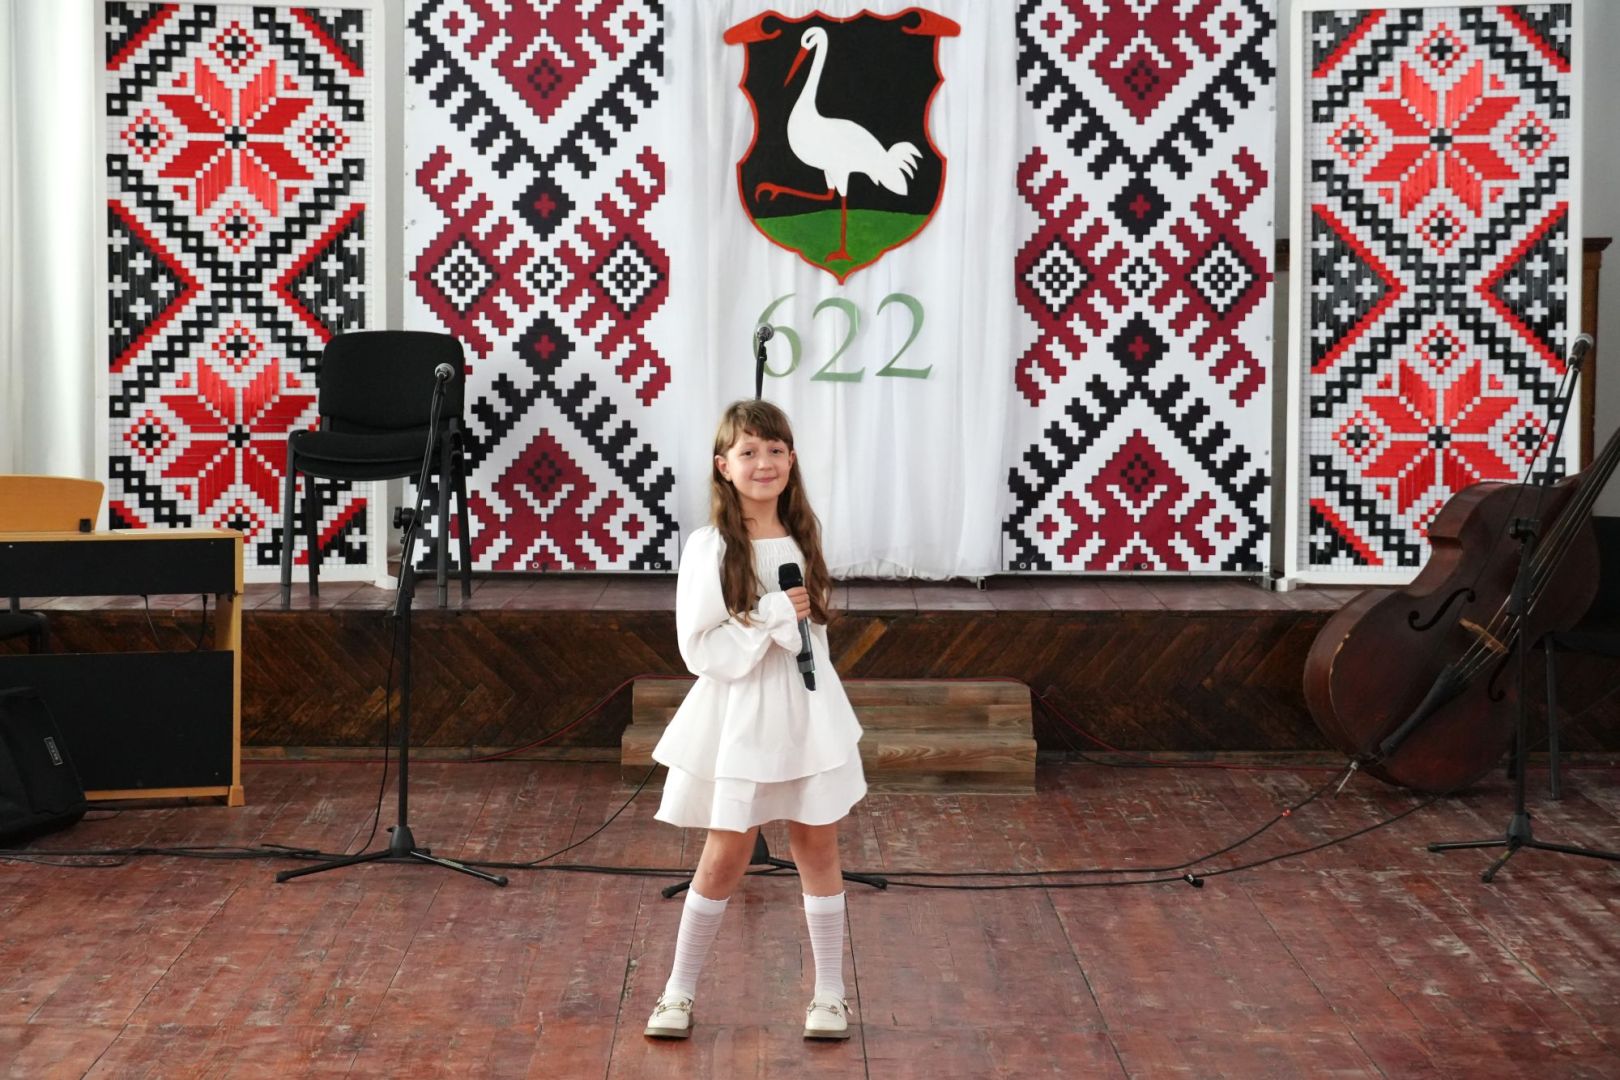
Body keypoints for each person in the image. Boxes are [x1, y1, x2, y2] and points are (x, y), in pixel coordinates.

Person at [644, 399, 866, 1042]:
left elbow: (812, 631)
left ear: (791, 460)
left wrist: (794, 629)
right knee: (726, 852)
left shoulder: (802, 534)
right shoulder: (710, 546)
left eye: (774, 451)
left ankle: (829, 995)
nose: (763, 462)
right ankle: (677, 991)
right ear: (724, 466)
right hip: (742, 715)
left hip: (805, 710)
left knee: (817, 845)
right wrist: (770, 617)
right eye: (748, 452)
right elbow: (699, 647)